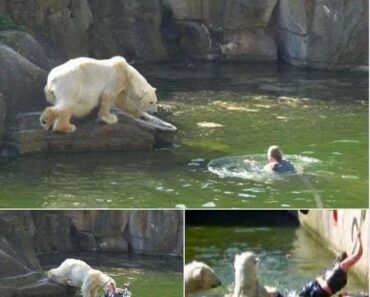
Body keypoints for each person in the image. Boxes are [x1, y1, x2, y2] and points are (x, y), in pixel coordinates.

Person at [298, 232, 363, 297]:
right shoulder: (341, 267)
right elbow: (358, 255)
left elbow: (356, 256)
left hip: (315, 287)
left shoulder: (336, 268)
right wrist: (360, 240)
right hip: (320, 292)